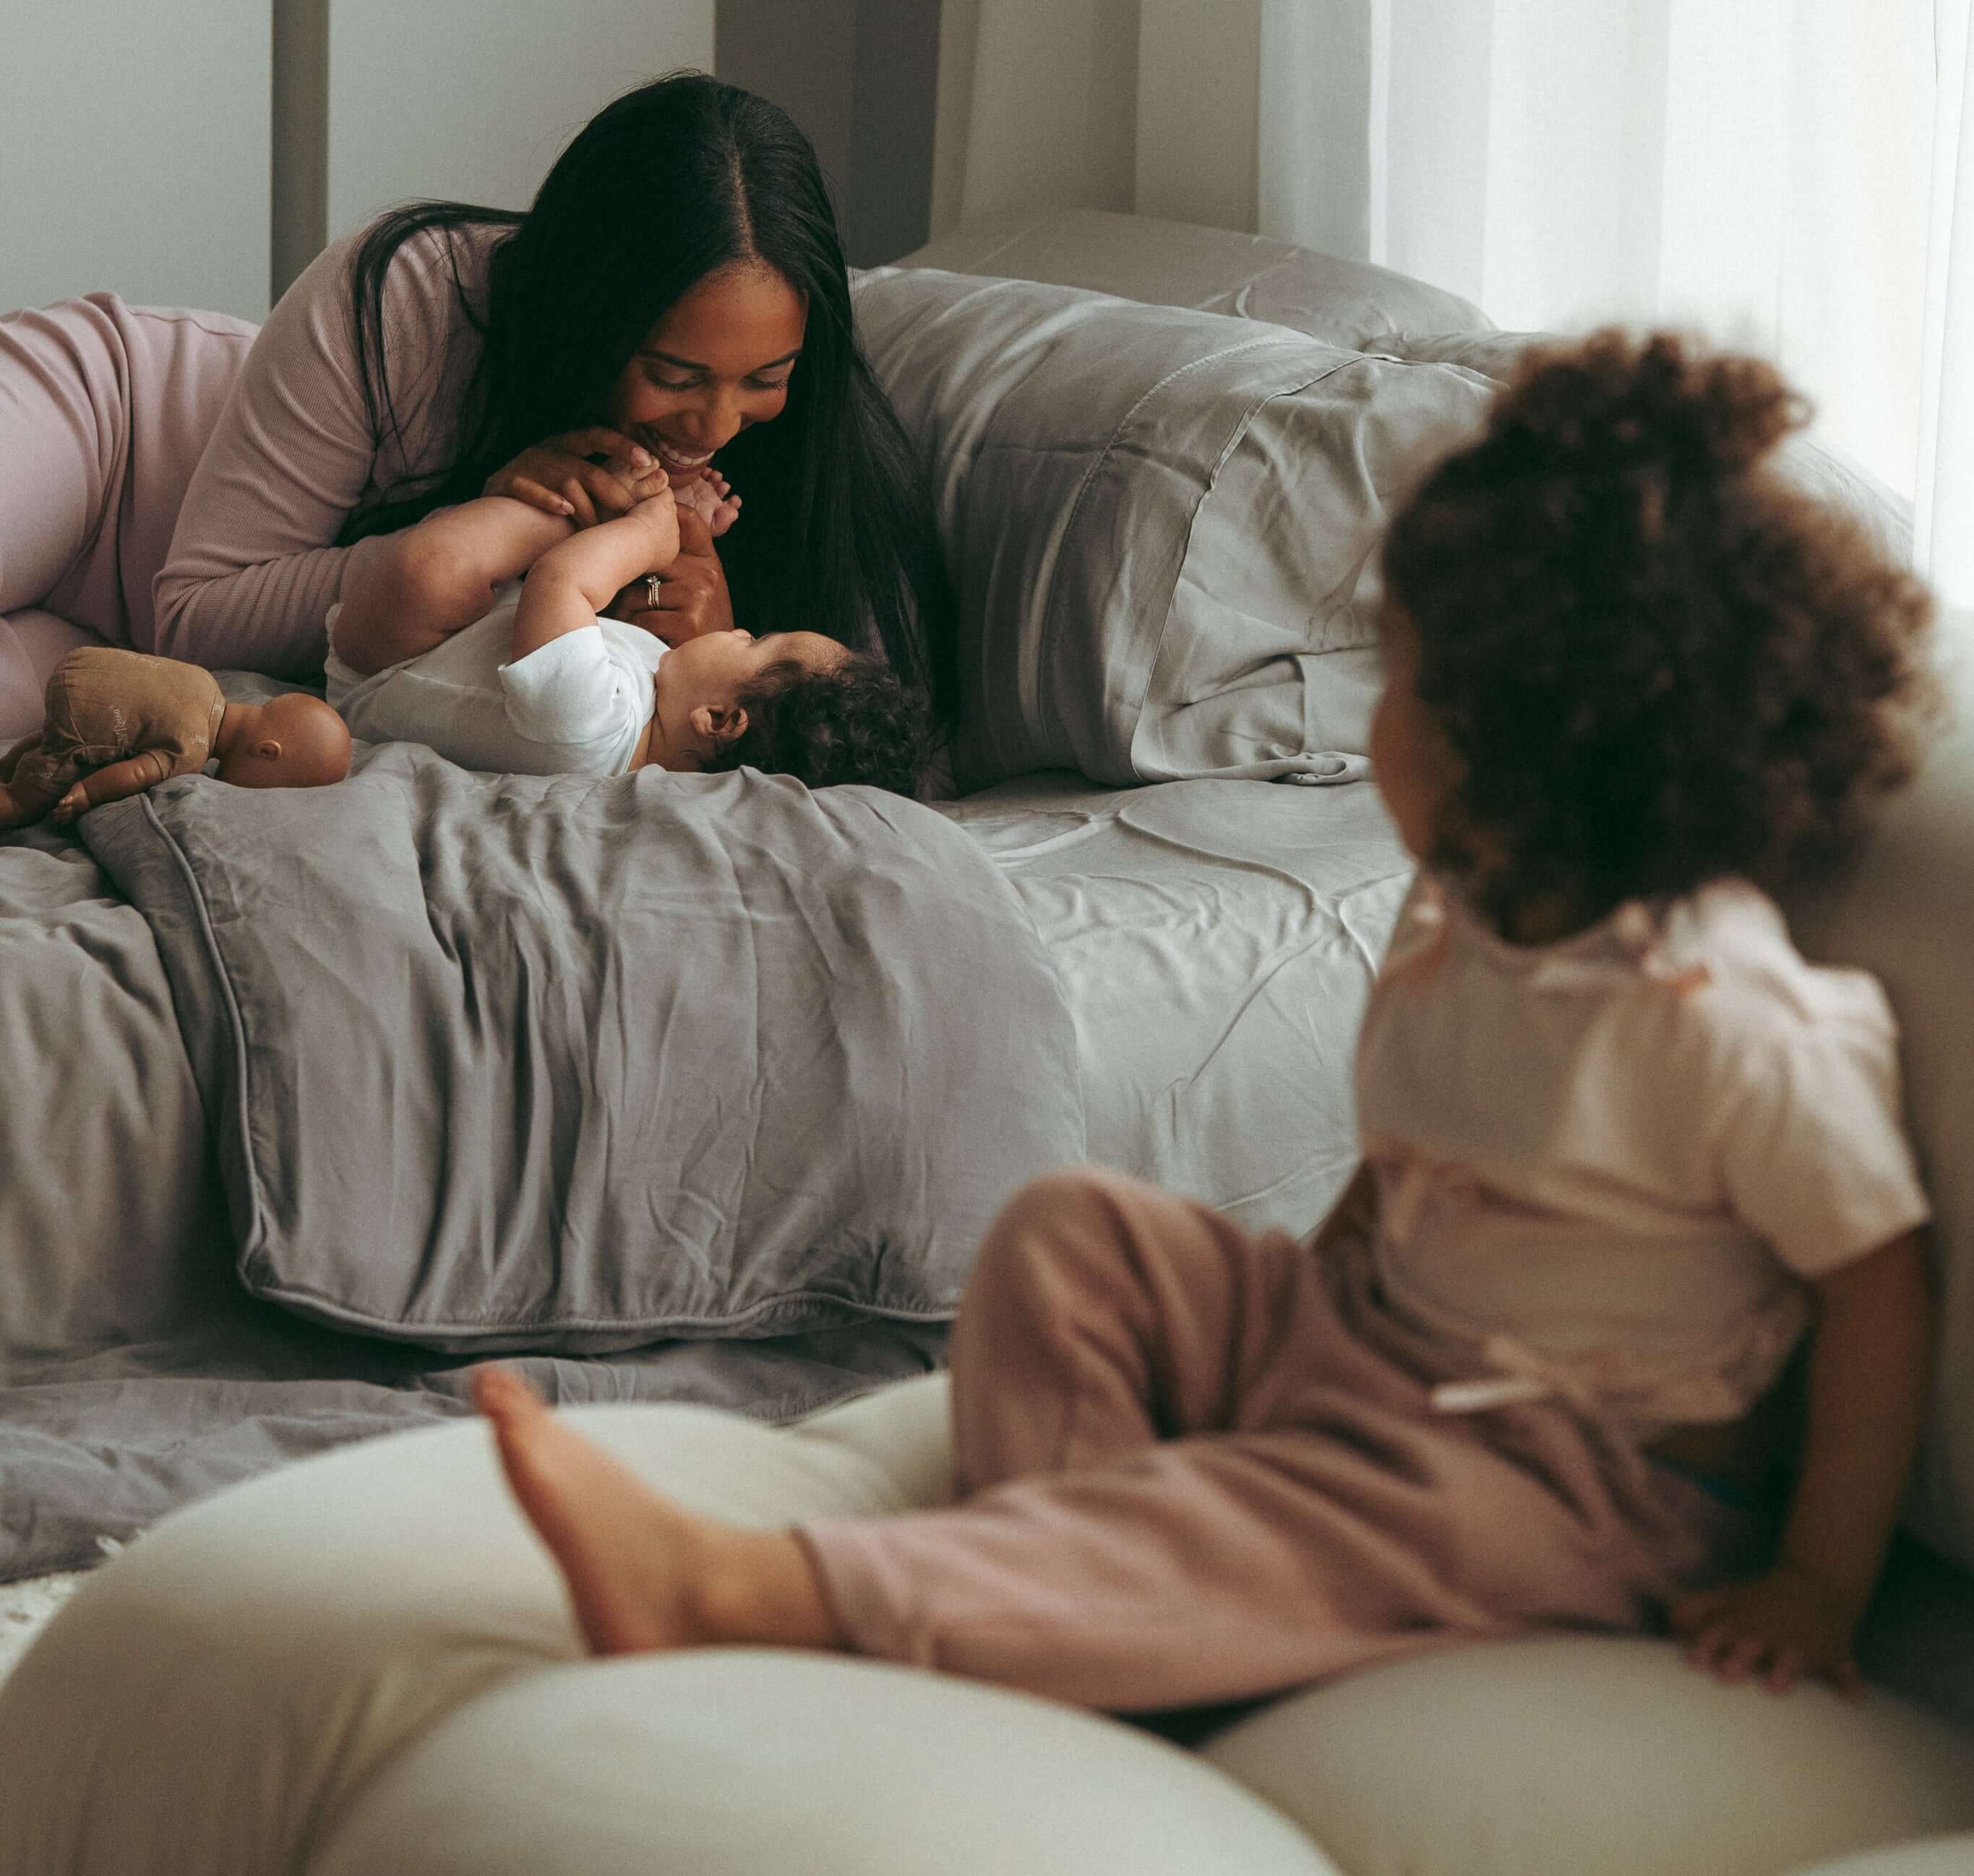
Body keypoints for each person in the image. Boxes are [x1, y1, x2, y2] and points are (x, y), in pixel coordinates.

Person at [470, 331, 1937, 1715]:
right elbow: (1418, 1158)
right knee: (1069, 1233)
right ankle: (1066, 1586)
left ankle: (757, 1585)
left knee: (1267, 1518)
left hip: (1573, 1473)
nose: (1373, 729)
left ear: (1519, 738)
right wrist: (1304, 1311)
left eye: (1404, 683)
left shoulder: (1730, 1019)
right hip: (1378, 1348)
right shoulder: (1463, 910)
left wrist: (1816, 1575)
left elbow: (1875, 1284)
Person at [155, 77, 956, 736]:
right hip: (128, 428)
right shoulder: (405, 299)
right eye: (675, 376)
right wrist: (496, 533)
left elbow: (890, 746)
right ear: (584, 317)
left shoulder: (816, 446)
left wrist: (716, 639)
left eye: (764, 377)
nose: (715, 428)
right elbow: (192, 620)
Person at [322, 473, 931, 793]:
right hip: (473, 625)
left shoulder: (592, 728)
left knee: (432, 572)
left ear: (719, 719)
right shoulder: (646, 716)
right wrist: (689, 535)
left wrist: (650, 533)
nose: (738, 626)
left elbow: (561, 582)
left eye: (753, 644)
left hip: (384, 662)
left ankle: (613, 495)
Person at [0, 643, 350, 829]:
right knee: (25, 802)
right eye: (274, 788)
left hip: (81, 665)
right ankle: (13, 797)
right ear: (267, 752)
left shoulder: (207, 683)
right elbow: (138, 772)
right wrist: (89, 793)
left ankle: (8, 765)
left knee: (51, 743)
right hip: (82, 717)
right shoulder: (192, 751)